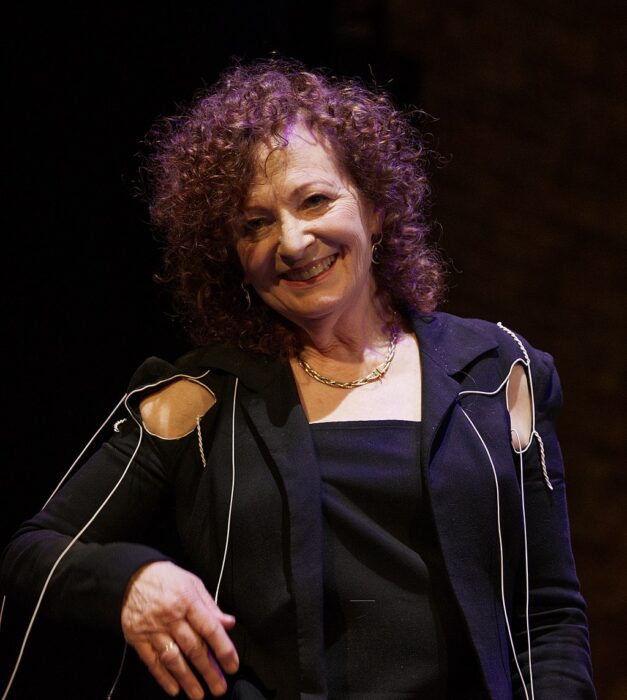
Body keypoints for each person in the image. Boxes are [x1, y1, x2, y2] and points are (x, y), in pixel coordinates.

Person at [0, 57, 595, 699]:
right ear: (232, 257)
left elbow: (551, 616)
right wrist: (132, 580)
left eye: (315, 200)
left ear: (375, 209)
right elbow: (34, 554)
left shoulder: (496, 373)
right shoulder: (201, 398)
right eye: (254, 225)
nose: (292, 240)